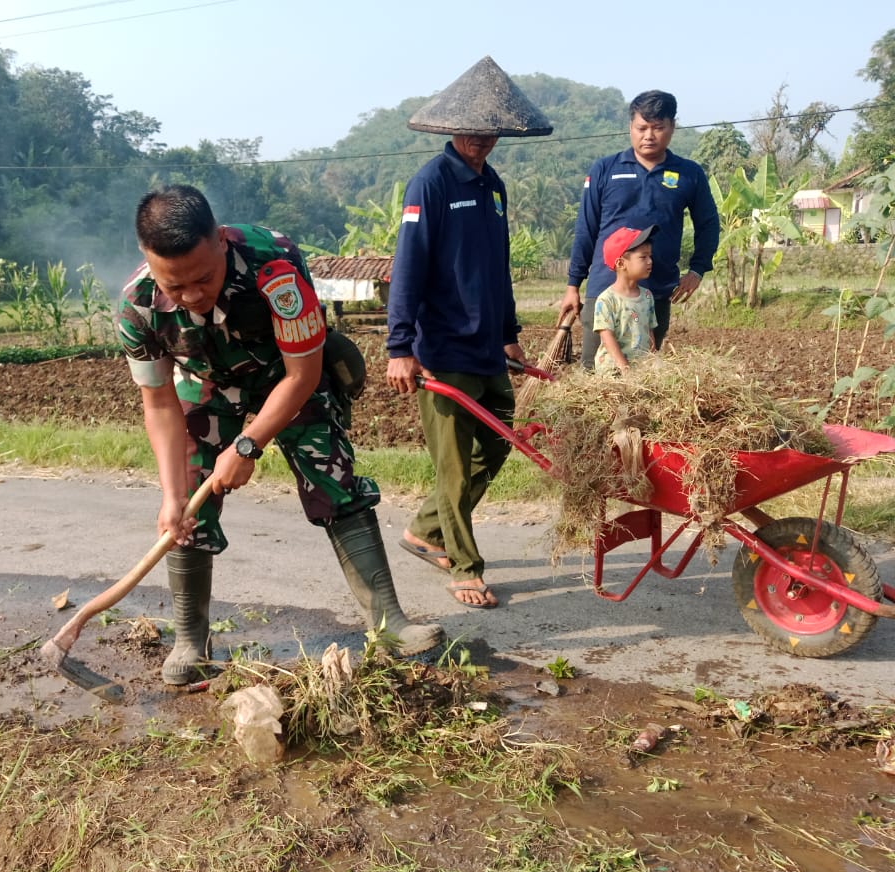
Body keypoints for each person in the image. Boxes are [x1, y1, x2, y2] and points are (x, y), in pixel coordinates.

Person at [117, 184, 444, 684]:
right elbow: (159, 404)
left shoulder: (276, 263)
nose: (192, 296)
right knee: (186, 506)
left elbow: (302, 374)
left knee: (332, 474)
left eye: (203, 279)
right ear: (148, 260)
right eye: (175, 287)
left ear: (221, 240)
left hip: (283, 374)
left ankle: (389, 623)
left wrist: (247, 445)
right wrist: (171, 495)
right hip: (205, 384)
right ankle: (191, 639)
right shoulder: (138, 305)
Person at [386, 56, 548, 610]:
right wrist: (400, 347)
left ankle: (426, 530)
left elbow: (496, 266)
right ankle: (465, 565)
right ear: (452, 127)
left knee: (504, 439)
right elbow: (407, 267)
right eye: (471, 130)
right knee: (453, 467)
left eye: (489, 131)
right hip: (443, 349)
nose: (480, 140)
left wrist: (508, 333)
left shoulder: (493, 186)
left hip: (486, 347)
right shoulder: (429, 184)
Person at [559, 90, 720, 368]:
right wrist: (573, 285)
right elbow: (586, 227)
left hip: (656, 291)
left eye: (658, 128)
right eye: (641, 127)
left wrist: (697, 270)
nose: (649, 135)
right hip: (604, 289)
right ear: (630, 127)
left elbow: (708, 224)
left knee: (644, 375)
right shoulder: (605, 169)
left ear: (672, 127)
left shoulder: (689, 173)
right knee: (597, 371)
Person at [592, 225, 658, 374]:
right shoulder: (606, 300)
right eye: (643, 257)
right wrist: (624, 367)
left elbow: (649, 331)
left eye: (650, 256)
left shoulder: (647, 296)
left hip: (640, 369)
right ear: (621, 264)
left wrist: (653, 359)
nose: (650, 261)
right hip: (614, 370)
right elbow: (607, 337)